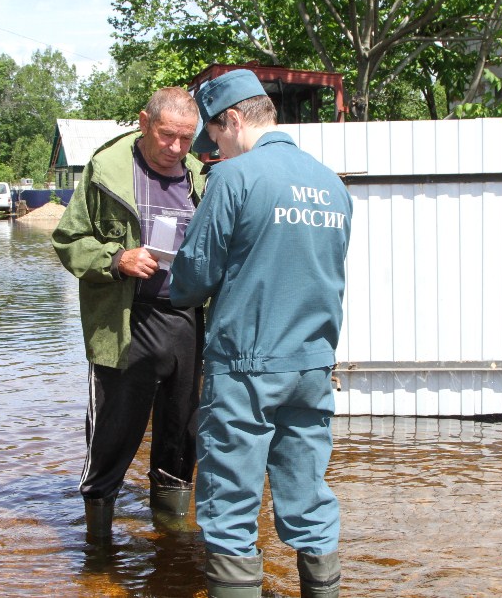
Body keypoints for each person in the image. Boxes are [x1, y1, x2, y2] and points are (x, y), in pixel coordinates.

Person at [169, 70, 352, 598]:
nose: (217, 152)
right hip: (313, 366)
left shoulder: (234, 179)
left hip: (246, 369)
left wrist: (172, 276)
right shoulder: (331, 185)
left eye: (216, 140)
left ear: (231, 120)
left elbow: (193, 278)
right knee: (309, 498)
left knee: (229, 506)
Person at [52, 87, 206, 541]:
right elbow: (68, 240)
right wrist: (116, 259)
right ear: (144, 122)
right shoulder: (107, 171)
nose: (176, 148)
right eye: (167, 136)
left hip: (185, 320)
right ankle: (97, 547)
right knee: (113, 434)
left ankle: (170, 537)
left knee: (181, 435)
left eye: (186, 138)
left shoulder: (200, 175)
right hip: (126, 321)